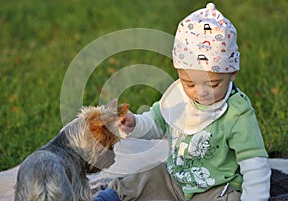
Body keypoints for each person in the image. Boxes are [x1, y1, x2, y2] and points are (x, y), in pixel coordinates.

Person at [94, 2, 271, 201]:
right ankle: (110, 197)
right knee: (146, 178)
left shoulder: (236, 113)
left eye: (213, 85)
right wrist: (135, 123)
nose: (201, 93)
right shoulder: (179, 96)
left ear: (232, 73)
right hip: (175, 180)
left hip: (216, 187)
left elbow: (254, 163)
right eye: (190, 83)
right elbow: (156, 122)